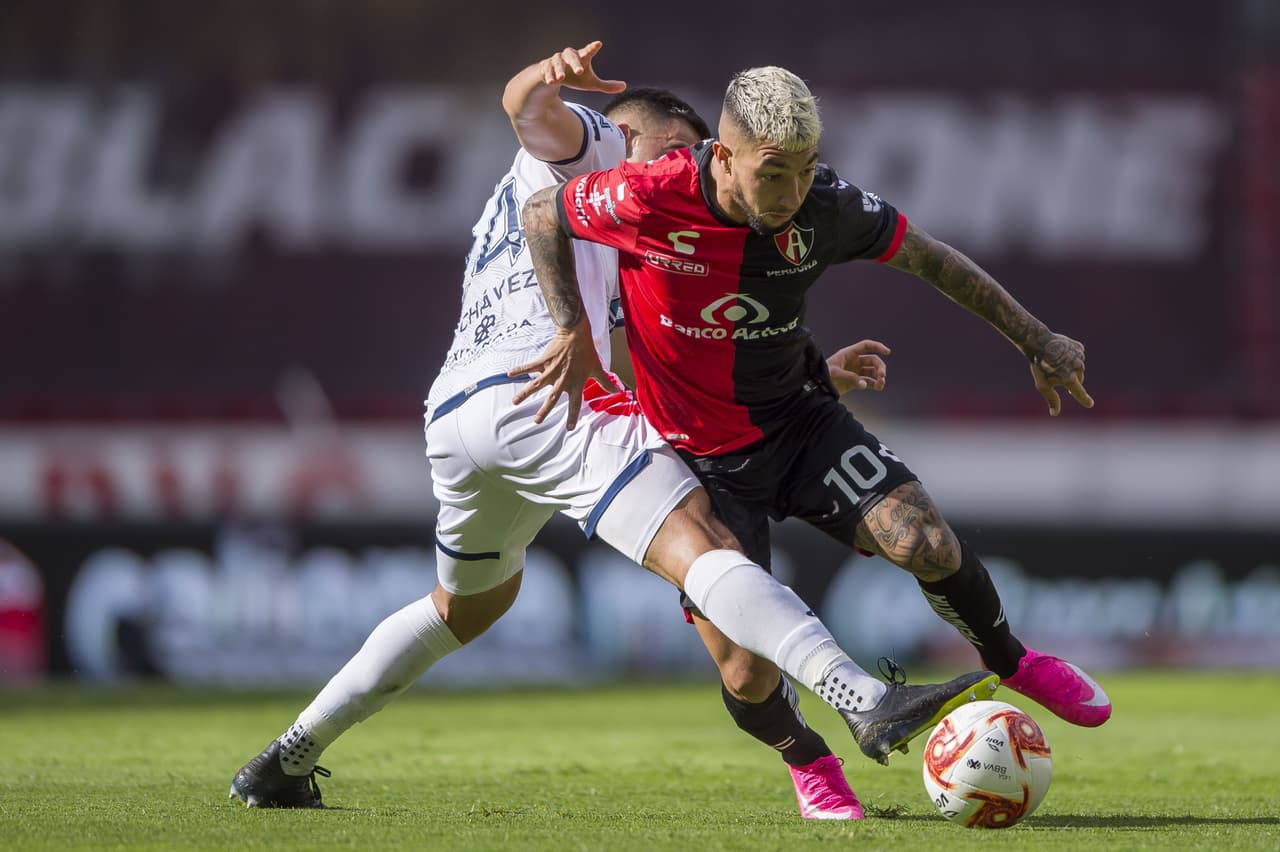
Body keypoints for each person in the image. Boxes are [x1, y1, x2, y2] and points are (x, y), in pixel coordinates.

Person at [228, 44, 996, 815]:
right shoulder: (599, 150)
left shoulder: (638, 235)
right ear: (624, 136)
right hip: (545, 398)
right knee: (705, 544)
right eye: (676, 148)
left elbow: (671, 371)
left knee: (463, 607)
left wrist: (815, 379)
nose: (691, 167)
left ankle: (286, 759)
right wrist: (546, 74)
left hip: (463, 414)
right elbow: (525, 107)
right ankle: (860, 694)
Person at [515, 63, 1113, 787]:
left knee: (923, 540)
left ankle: (1011, 659)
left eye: (806, 170)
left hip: (798, 421)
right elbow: (543, 214)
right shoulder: (650, 195)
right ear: (725, 156)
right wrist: (571, 328)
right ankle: (812, 764)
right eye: (774, 174)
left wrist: (1035, 338)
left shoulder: (824, 209)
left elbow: (931, 259)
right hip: (694, 461)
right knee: (746, 672)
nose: (792, 193)